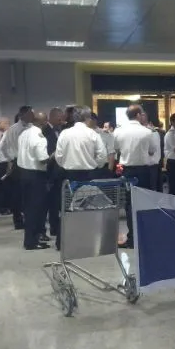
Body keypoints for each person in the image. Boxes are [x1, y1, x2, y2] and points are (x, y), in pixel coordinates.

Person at [54, 105, 107, 250]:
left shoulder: (65, 134)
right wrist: (95, 165)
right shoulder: (93, 134)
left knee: (66, 209)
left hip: (68, 176)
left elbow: (58, 156)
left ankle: (62, 242)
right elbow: (102, 156)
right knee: (88, 209)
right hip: (88, 175)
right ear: (87, 118)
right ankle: (86, 242)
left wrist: (65, 164)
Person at [114, 104, 159, 249]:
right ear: (139, 115)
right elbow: (152, 150)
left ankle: (132, 237)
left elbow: (116, 149)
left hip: (126, 171)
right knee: (143, 202)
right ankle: (144, 236)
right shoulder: (146, 132)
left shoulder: (119, 131)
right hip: (143, 171)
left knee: (129, 204)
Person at [17, 112, 50, 250]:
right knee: (36, 210)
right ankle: (32, 241)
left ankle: (31, 239)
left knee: (28, 209)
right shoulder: (39, 136)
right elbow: (42, 159)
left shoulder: (24, 133)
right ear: (44, 122)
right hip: (35, 175)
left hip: (23, 174)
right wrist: (54, 156)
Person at [0, 105, 35, 229]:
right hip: (18, 163)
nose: (32, 116)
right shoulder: (13, 129)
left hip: (29, 163)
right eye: (30, 113)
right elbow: (2, 147)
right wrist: (10, 158)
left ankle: (27, 218)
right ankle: (18, 220)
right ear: (23, 115)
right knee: (17, 193)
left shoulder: (32, 128)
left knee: (28, 193)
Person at [42, 107, 64, 238]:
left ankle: (56, 228)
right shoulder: (44, 131)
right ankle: (52, 228)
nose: (61, 121)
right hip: (49, 170)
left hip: (59, 170)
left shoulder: (61, 130)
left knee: (57, 201)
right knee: (51, 203)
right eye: (59, 118)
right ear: (53, 117)